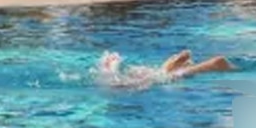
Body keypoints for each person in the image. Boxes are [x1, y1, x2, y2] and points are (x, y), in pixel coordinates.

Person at [97, 48, 235, 88]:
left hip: (174, 72)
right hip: (176, 73)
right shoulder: (219, 62)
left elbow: (187, 54)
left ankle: (115, 77)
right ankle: (115, 77)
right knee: (159, 77)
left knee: (157, 76)